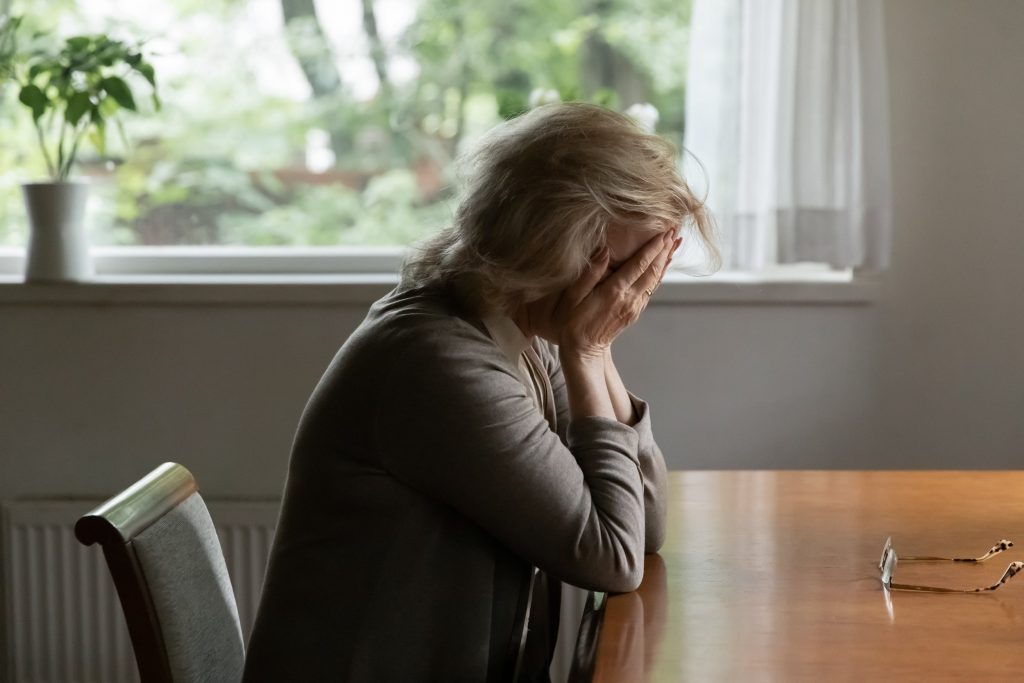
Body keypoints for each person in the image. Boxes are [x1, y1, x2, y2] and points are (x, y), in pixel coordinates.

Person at [242, 102, 717, 682]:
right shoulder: (435, 361)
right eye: (620, 269)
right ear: (548, 242)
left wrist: (596, 348)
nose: (626, 295)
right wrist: (589, 351)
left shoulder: (521, 328)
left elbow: (643, 530)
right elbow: (612, 558)